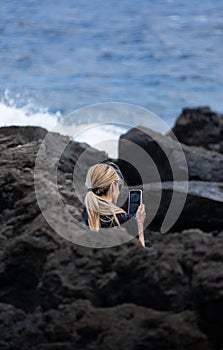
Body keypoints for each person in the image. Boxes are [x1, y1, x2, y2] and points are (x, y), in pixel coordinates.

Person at [83, 162, 146, 247]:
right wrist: (139, 223)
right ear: (113, 186)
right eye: (119, 187)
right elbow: (139, 251)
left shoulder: (85, 213)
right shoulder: (121, 218)